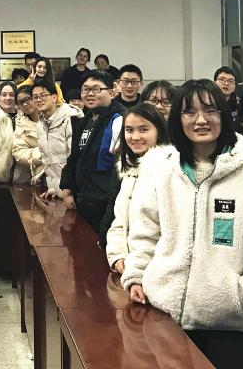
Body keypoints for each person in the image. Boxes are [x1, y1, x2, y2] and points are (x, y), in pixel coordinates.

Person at [122, 79, 243, 369]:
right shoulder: (165, 169)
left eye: (210, 110)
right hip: (164, 315)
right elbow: (146, 231)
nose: (200, 120)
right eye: (189, 112)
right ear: (177, 119)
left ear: (223, 114)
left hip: (228, 327)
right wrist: (137, 275)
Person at [59, 70, 124, 244]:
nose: (89, 94)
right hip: (84, 200)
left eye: (96, 89)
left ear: (111, 92)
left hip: (106, 204)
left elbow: (121, 167)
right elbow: (74, 157)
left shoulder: (120, 120)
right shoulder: (85, 120)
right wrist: (66, 186)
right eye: (85, 89)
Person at [105, 104, 168, 274]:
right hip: (129, 267)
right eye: (129, 130)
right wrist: (117, 255)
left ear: (159, 131)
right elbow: (120, 221)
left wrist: (139, 268)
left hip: (154, 269)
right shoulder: (129, 170)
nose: (135, 137)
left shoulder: (168, 169)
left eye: (143, 130)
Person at [33, 81, 81, 199]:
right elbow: (47, 160)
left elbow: (74, 157)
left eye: (43, 95)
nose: (38, 100)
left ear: (54, 97)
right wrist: (54, 187)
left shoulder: (70, 119)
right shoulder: (40, 125)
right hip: (57, 189)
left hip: (74, 190)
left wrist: (67, 189)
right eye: (35, 97)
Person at [11, 85, 43, 185]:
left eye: (27, 99)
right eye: (20, 102)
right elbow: (18, 151)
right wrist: (43, 153)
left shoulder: (50, 116)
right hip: (32, 176)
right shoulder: (19, 123)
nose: (25, 104)